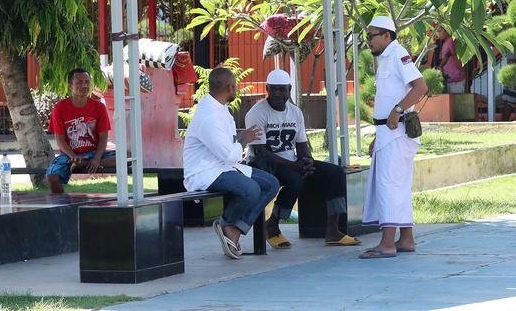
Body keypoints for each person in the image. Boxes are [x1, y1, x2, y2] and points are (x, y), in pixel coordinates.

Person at [245, 69, 361, 249]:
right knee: (295, 180)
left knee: (335, 173)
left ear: (289, 89)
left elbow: (301, 144)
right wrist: (295, 166)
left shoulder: (295, 112)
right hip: (263, 165)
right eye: (273, 89)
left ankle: (333, 231)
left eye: (282, 90)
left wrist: (307, 161)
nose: (278, 94)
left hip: (290, 162)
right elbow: (261, 153)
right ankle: (272, 225)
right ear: (267, 89)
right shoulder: (257, 113)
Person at [183, 67, 280, 259]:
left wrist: (241, 138)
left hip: (222, 167)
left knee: (271, 184)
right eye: (235, 85)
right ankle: (227, 223)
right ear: (229, 87)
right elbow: (229, 155)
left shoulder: (219, 108)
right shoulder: (209, 116)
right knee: (251, 189)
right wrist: (244, 138)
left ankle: (235, 228)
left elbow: (226, 146)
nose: (237, 88)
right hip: (204, 172)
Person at [360, 16, 427, 259]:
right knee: (398, 186)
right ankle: (406, 239)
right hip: (388, 133)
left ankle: (387, 243)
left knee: (389, 186)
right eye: (367, 36)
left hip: (397, 131)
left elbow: (420, 87)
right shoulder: (386, 58)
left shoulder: (398, 54)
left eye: (372, 36)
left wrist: (397, 110)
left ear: (387, 35)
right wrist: (377, 136)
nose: (368, 41)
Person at [46, 69, 115, 194]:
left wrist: (96, 159)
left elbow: (104, 136)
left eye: (87, 82)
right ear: (70, 85)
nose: (84, 85)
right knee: (52, 177)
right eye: (79, 82)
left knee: (127, 156)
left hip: (94, 153)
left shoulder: (99, 107)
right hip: (69, 155)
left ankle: (85, 163)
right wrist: (73, 156)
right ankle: (62, 209)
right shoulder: (59, 108)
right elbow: (60, 140)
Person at [436, 25, 466, 94]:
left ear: (447, 31)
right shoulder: (446, 43)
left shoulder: (450, 41)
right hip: (452, 79)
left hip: (457, 79)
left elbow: (447, 54)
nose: (438, 34)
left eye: (440, 31)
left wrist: (440, 66)